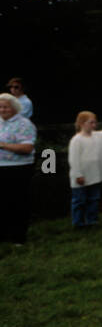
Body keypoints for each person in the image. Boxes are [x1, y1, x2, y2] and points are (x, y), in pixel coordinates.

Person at [0, 92, 37, 244]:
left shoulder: (25, 124)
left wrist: (3, 145)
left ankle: (18, 237)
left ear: (14, 108)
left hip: (19, 168)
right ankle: (3, 235)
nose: (2, 110)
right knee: (2, 202)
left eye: (5, 107)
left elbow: (27, 147)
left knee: (18, 202)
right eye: (0, 107)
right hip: (1, 167)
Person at [68, 111, 102, 228]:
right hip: (81, 175)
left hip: (94, 174)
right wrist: (78, 174)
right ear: (82, 123)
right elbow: (73, 159)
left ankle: (91, 221)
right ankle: (78, 223)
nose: (94, 125)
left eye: (95, 122)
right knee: (79, 200)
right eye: (91, 122)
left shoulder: (98, 136)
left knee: (93, 199)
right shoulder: (76, 140)